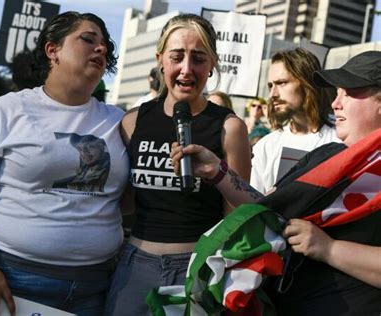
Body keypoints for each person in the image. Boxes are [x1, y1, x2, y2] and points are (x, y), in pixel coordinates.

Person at [0, 11, 129, 316]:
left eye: (105, 44)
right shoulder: (7, 111)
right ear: (52, 49)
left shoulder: (120, 121)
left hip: (98, 287)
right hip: (12, 282)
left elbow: (128, 198)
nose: (101, 49)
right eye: (88, 39)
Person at [170, 50, 381, 316]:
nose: (335, 104)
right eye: (336, 93)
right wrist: (216, 171)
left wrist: (330, 249)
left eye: (348, 93)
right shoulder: (325, 155)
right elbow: (267, 210)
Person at [105, 14, 251, 315]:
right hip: (134, 266)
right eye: (177, 57)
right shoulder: (133, 121)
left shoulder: (229, 128)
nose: (187, 69)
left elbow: (236, 215)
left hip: (195, 268)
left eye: (198, 58)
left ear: (211, 65)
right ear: (161, 60)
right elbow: (124, 200)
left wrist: (216, 174)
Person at [251, 48, 341, 194]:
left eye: (282, 83)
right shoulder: (266, 146)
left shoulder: (339, 141)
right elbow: (253, 203)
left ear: (306, 83)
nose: (273, 94)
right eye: (270, 85)